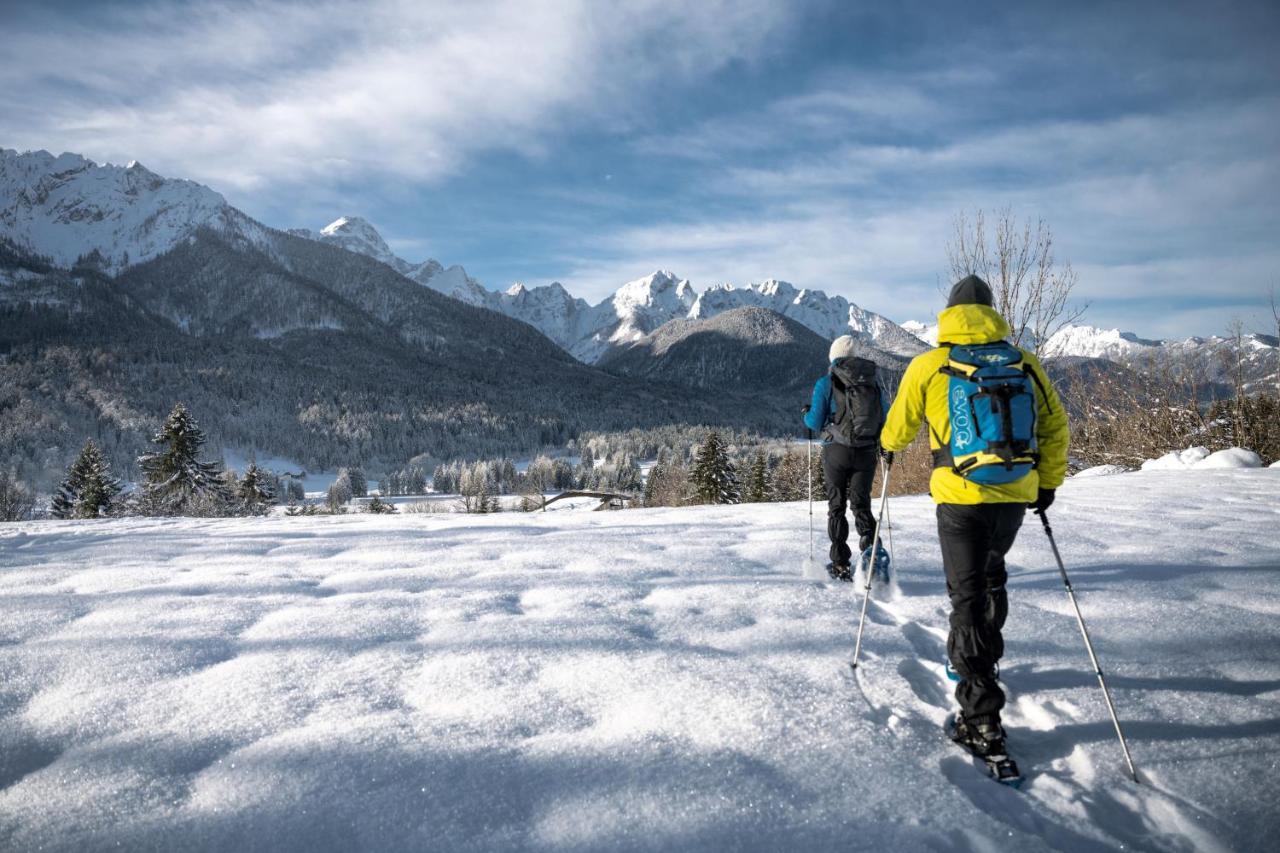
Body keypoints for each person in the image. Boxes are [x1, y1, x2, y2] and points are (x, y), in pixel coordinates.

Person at [879, 275, 1068, 755]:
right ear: (990, 312)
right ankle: (984, 657)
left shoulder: (929, 364)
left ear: (949, 313)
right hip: (1012, 495)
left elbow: (899, 427)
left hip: (960, 496)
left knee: (966, 596)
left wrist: (886, 448)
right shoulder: (1023, 361)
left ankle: (980, 717)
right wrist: (1047, 481)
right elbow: (1053, 423)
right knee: (991, 576)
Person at [803, 335, 891, 582]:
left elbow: (815, 421)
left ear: (834, 357)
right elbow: (884, 417)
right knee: (861, 504)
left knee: (837, 506)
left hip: (836, 452)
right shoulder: (872, 383)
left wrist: (806, 413)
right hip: (866, 452)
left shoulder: (826, 382)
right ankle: (873, 557)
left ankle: (840, 563)